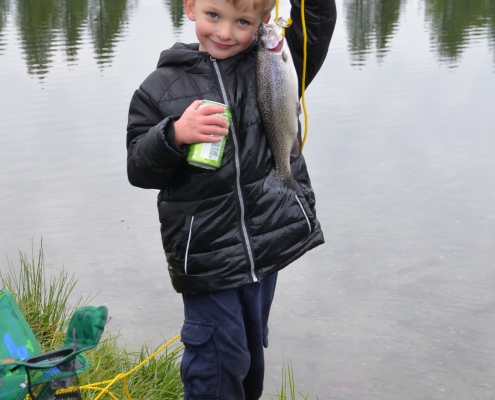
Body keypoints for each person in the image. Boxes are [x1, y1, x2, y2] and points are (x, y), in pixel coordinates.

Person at [126, 0, 336, 396]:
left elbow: (316, 24)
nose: (225, 33)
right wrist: (174, 134)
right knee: (217, 363)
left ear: (263, 20)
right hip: (206, 258)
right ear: (190, 7)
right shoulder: (160, 89)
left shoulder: (274, 62)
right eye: (213, 16)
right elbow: (139, 168)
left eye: (242, 21)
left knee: (249, 361)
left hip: (265, 253)